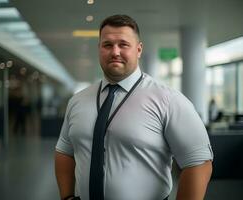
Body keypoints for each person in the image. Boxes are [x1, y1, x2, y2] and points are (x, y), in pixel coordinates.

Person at [55, 14, 213, 200]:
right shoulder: (78, 101)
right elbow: (64, 151)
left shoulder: (169, 100)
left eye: (123, 44)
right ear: (99, 49)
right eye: (107, 45)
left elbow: (198, 163)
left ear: (138, 49)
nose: (115, 52)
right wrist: (67, 197)